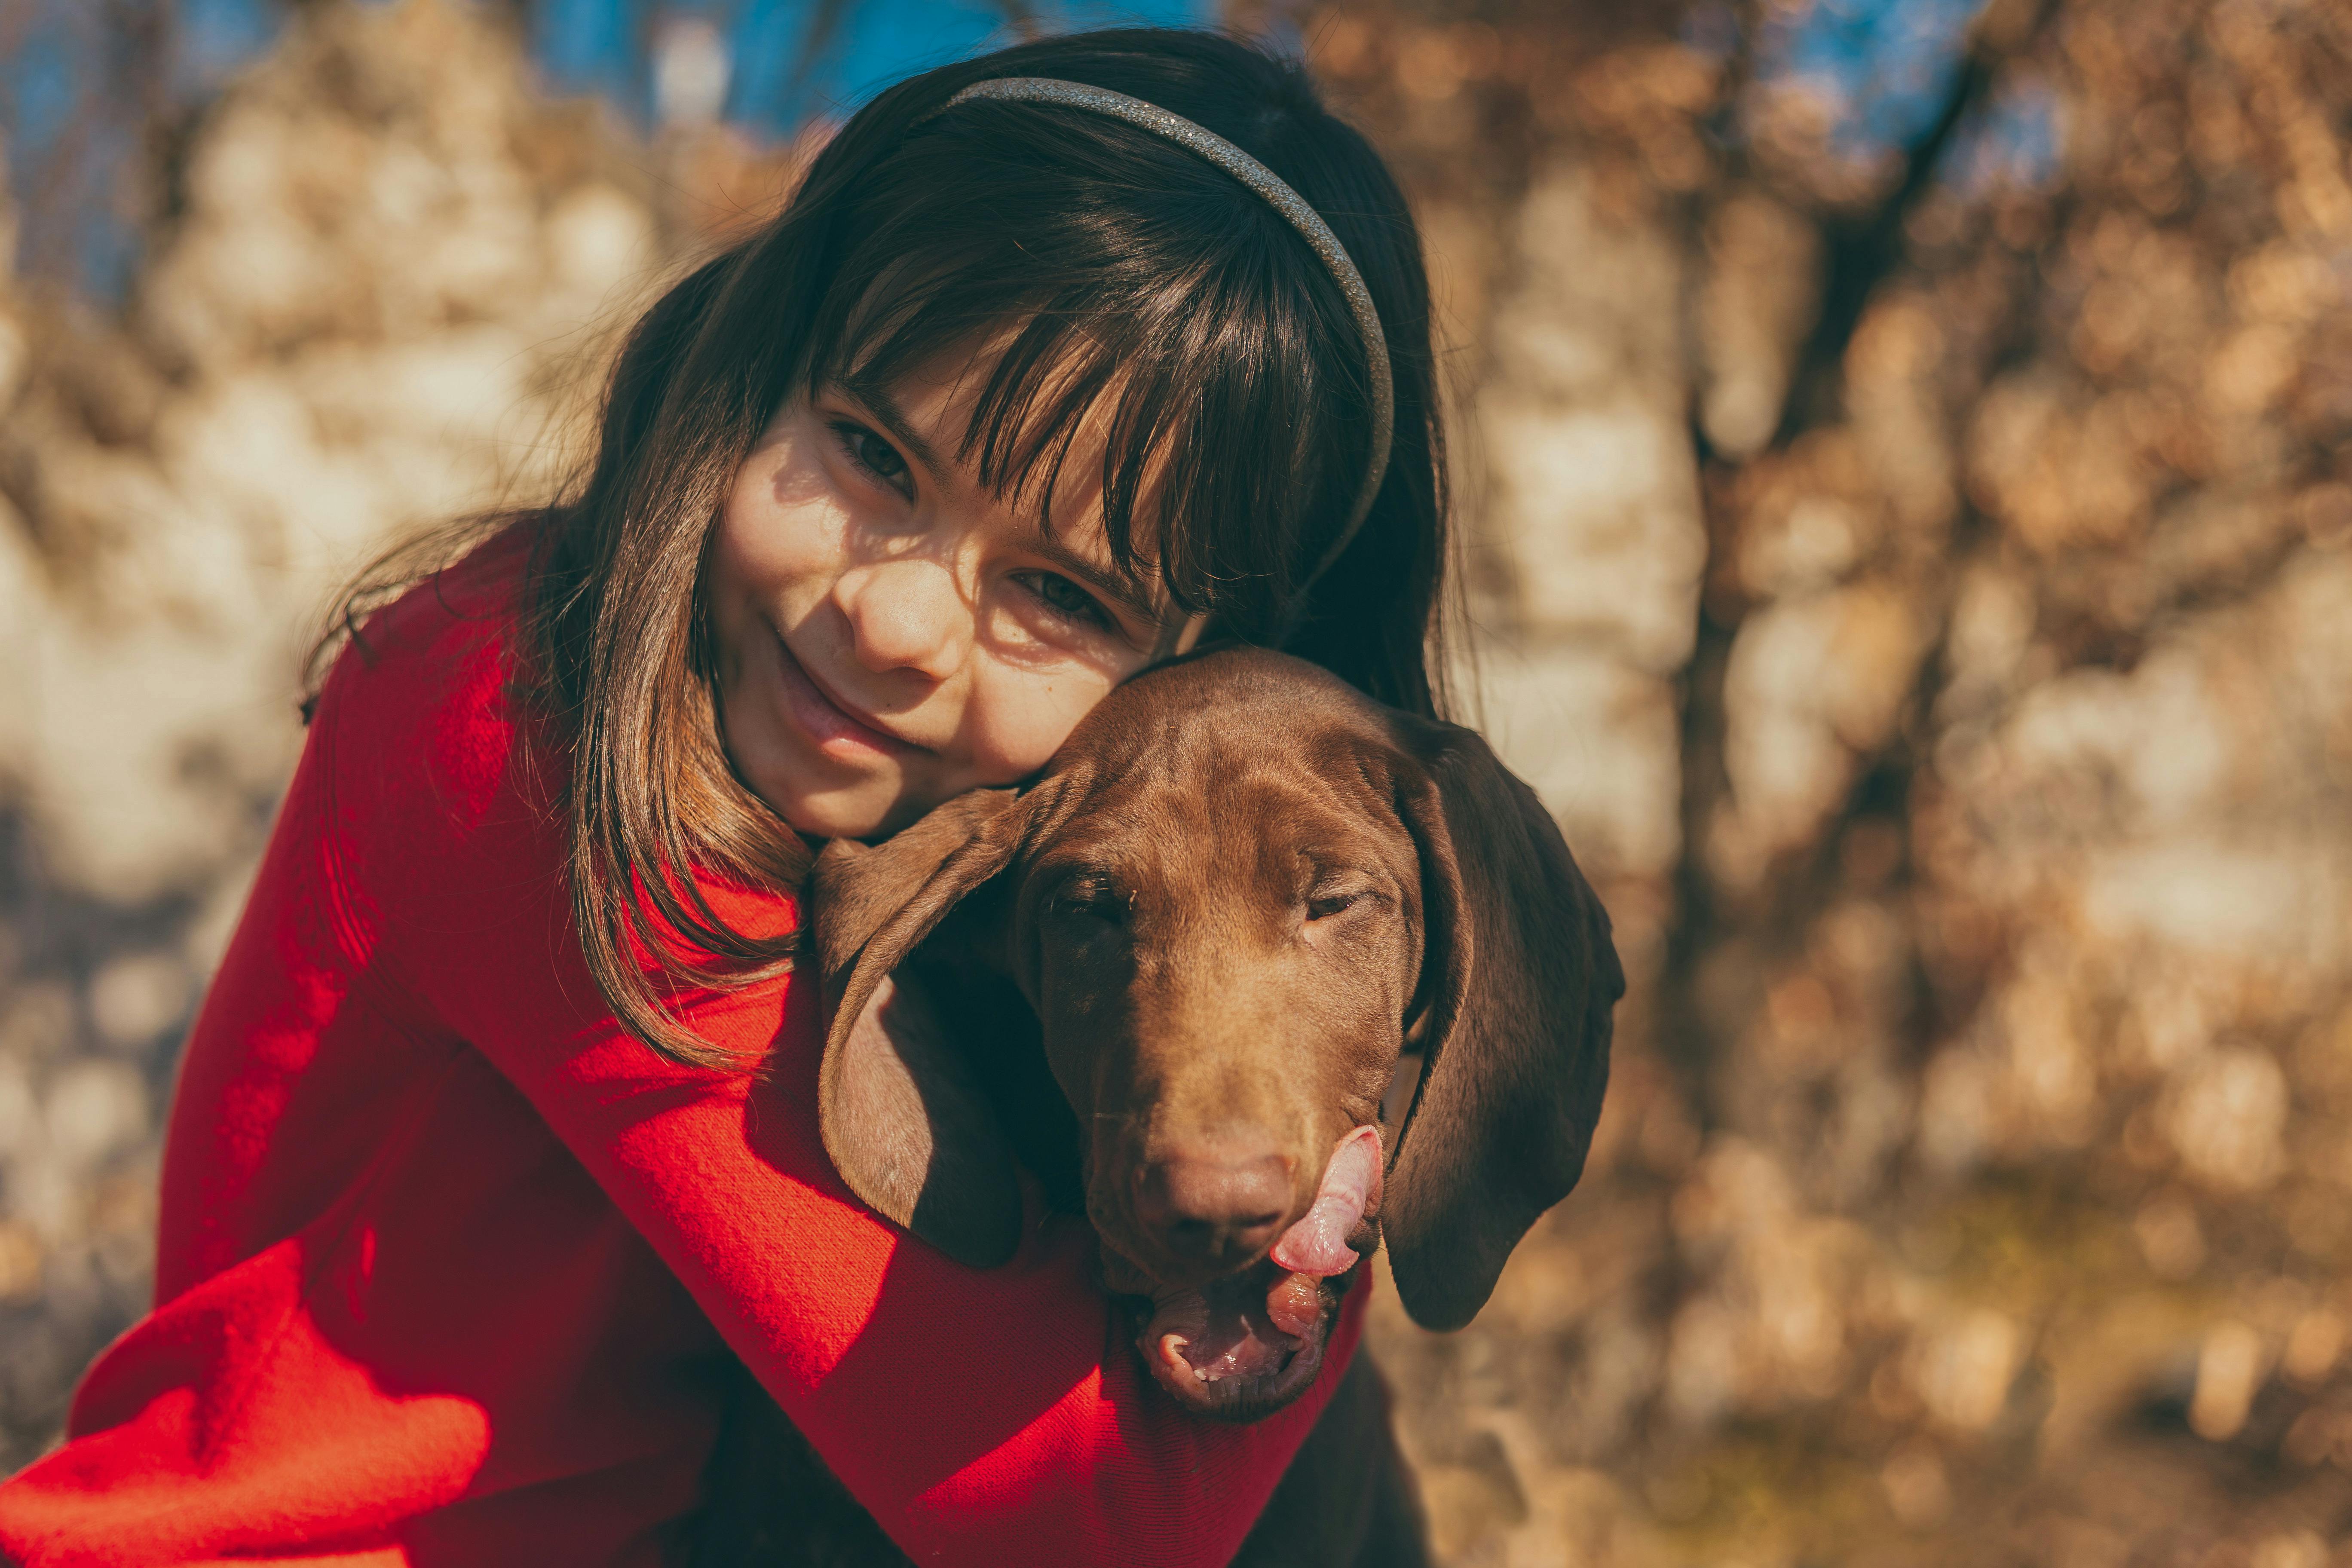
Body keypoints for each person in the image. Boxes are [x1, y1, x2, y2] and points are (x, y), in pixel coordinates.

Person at [0, 26, 1449, 1567]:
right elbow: (1095, 1512)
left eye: (1062, 594)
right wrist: (1308, 1160)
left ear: (1194, 670)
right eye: (872, 452)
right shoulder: (529, 727)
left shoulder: (942, 850)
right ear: (758, 363)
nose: (894, 621)